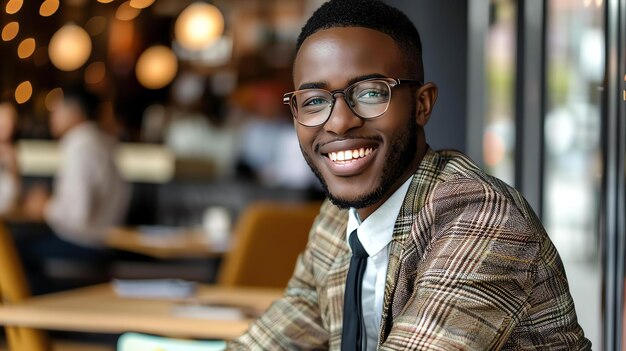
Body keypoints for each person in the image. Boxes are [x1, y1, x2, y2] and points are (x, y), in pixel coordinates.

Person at [229, 1, 591, 350]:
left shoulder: (484, 219)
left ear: (422, 104)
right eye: (314, 100)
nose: (339, 121)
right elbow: (273, 338)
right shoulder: (336, 221)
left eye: (371, 93)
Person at [23, 86, 130, 248]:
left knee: (12, 252)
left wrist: (44, 206)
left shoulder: (80, 146)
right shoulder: (102, 142)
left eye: (57, 110)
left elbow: (78, 215)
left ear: (75, 112)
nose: (52, 117)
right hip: (102, 243)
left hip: (82, 244)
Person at [0, 101, 20, 216]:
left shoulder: (14, 151)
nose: (5, 125)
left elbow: (13, 194)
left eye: (9, 120)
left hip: (8, 215)